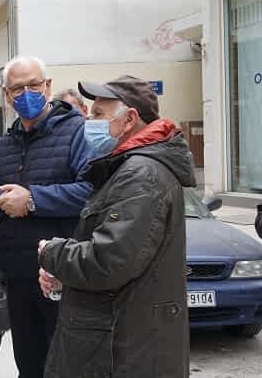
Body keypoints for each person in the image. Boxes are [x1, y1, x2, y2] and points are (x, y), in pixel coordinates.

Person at [37, 75, 195, 378]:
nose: (89, 122)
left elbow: (109, 262)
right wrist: (64, 278)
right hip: (118, 343)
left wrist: (52, 253)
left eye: (99, 114)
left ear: (129, 120)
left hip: (122, 353)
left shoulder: (141, 174)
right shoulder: (130, 168)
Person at [0, 56, 93, 378]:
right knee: (27, 363)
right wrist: (3, 201)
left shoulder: (77, 132)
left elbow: (90, 192)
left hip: (61, 273)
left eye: (34, 85)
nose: (26, 94)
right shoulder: (7, 142)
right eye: (18, 88)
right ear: (6, 94)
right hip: (17, 274)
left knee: (62, 365)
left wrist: (31, 200)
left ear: (48, 86)